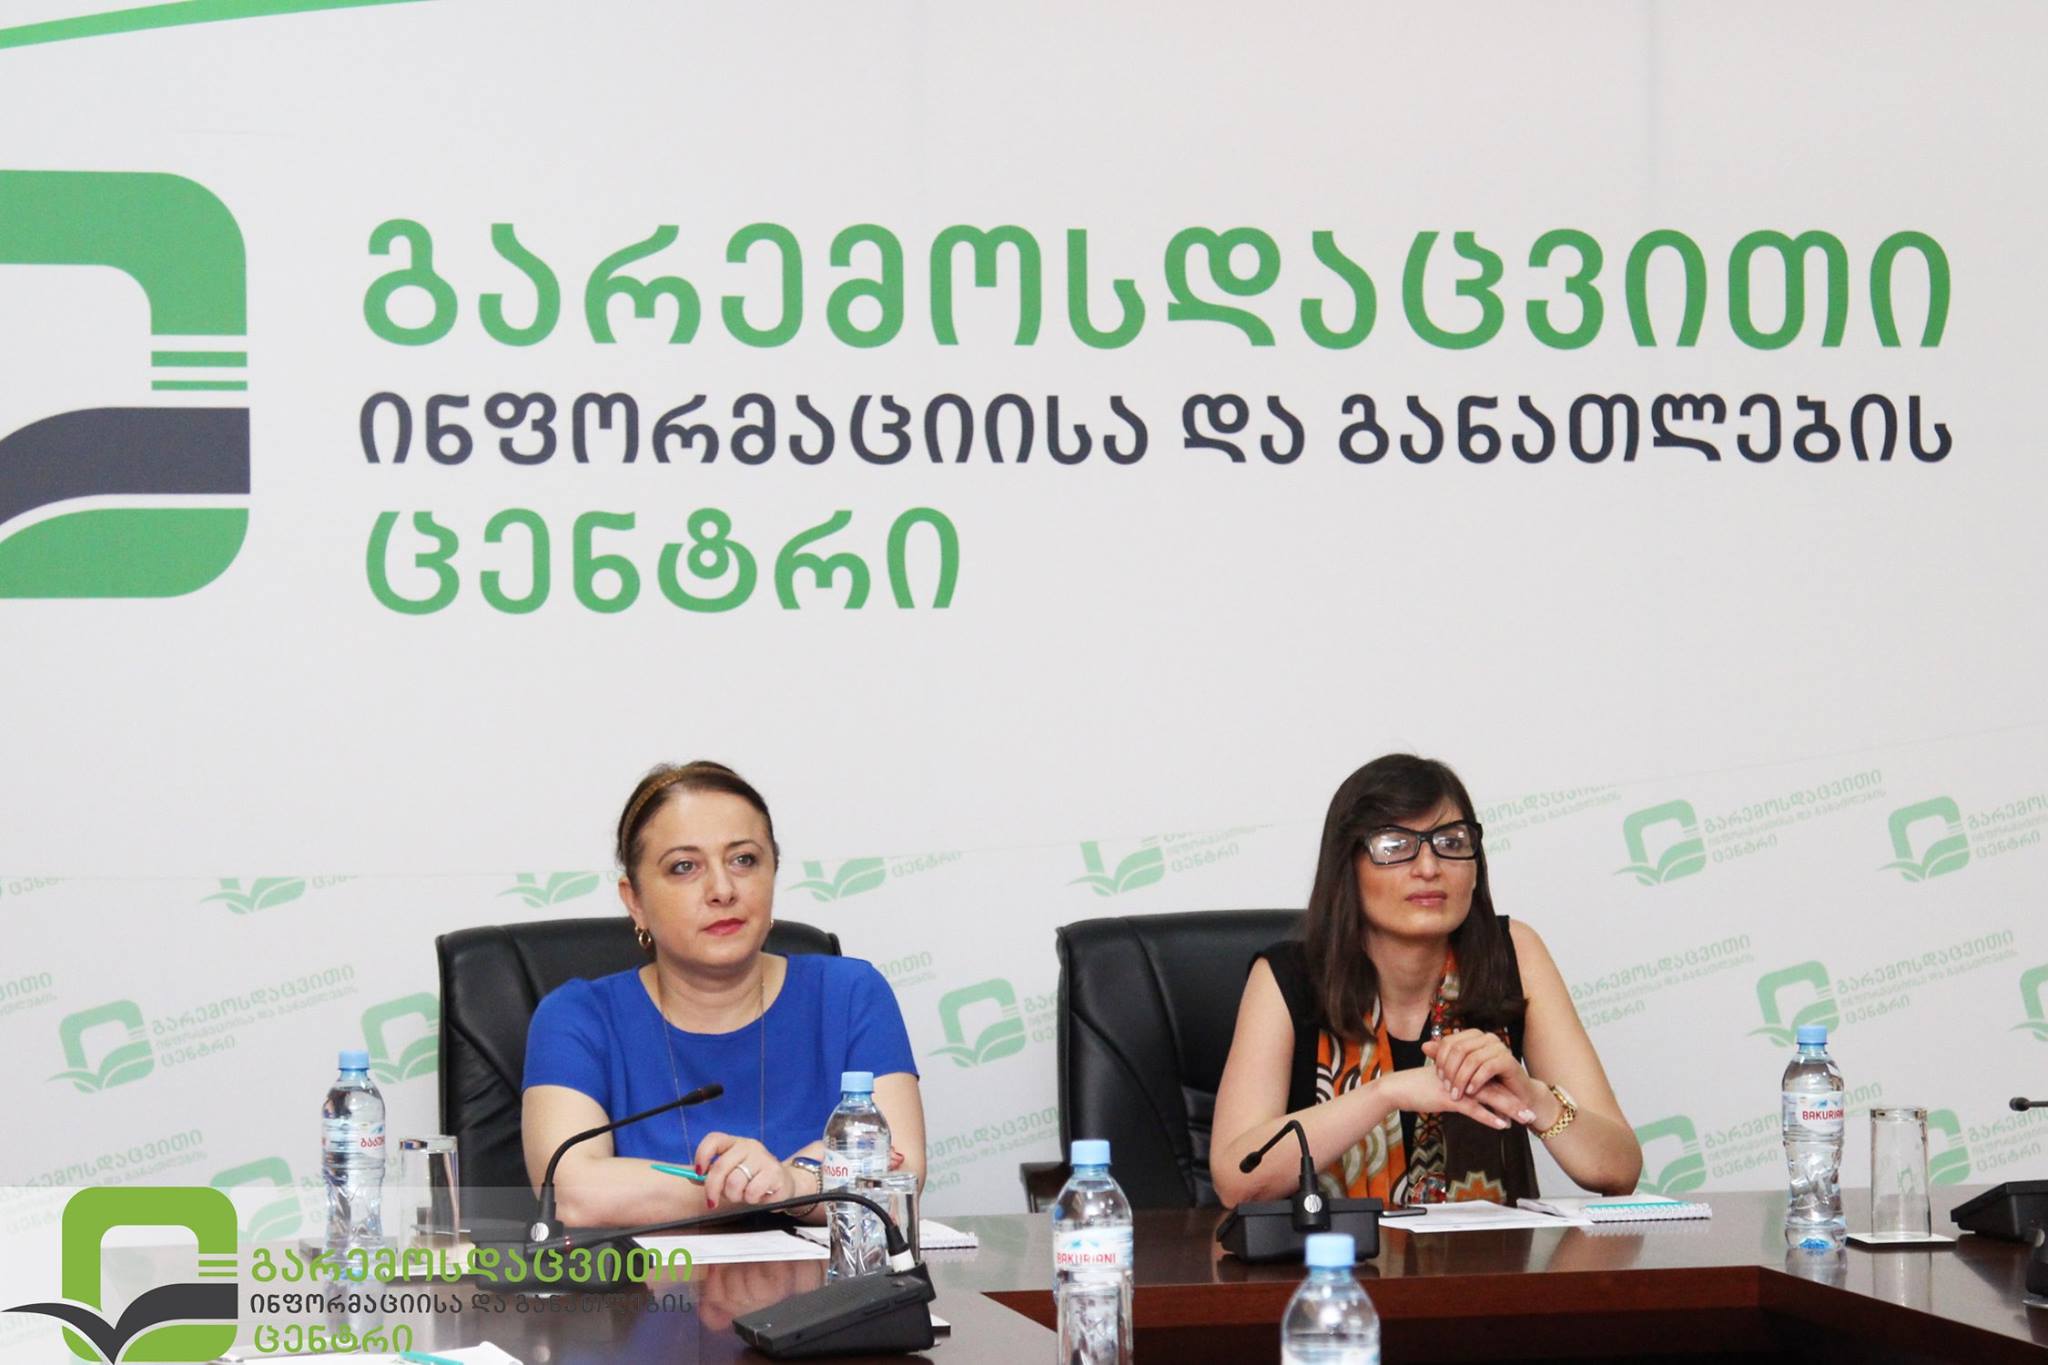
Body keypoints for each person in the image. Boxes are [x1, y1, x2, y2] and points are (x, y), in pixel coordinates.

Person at [1211, 755, 1640, 1208]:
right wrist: (1384, 1094)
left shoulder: (1513, 952)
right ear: (1347, 867)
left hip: (1491, 1254)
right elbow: (1238, 1181)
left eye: (1451, 842)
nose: (1429, 867)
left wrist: (1533, 1097)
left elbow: (1620, 1170)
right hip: (1330, 1252)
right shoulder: (1288, 976)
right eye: (1395, 845)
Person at [522, 761, 925, 1227]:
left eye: (744, 860)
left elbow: (899, 1183)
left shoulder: (850, 994)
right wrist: (768, 1186)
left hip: (828, 1277)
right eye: (684, 867)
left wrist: (793, 1184)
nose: (722, 889)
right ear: (635, 901)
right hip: (648, 1278)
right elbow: (572, 1193)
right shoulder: (577, 1017)